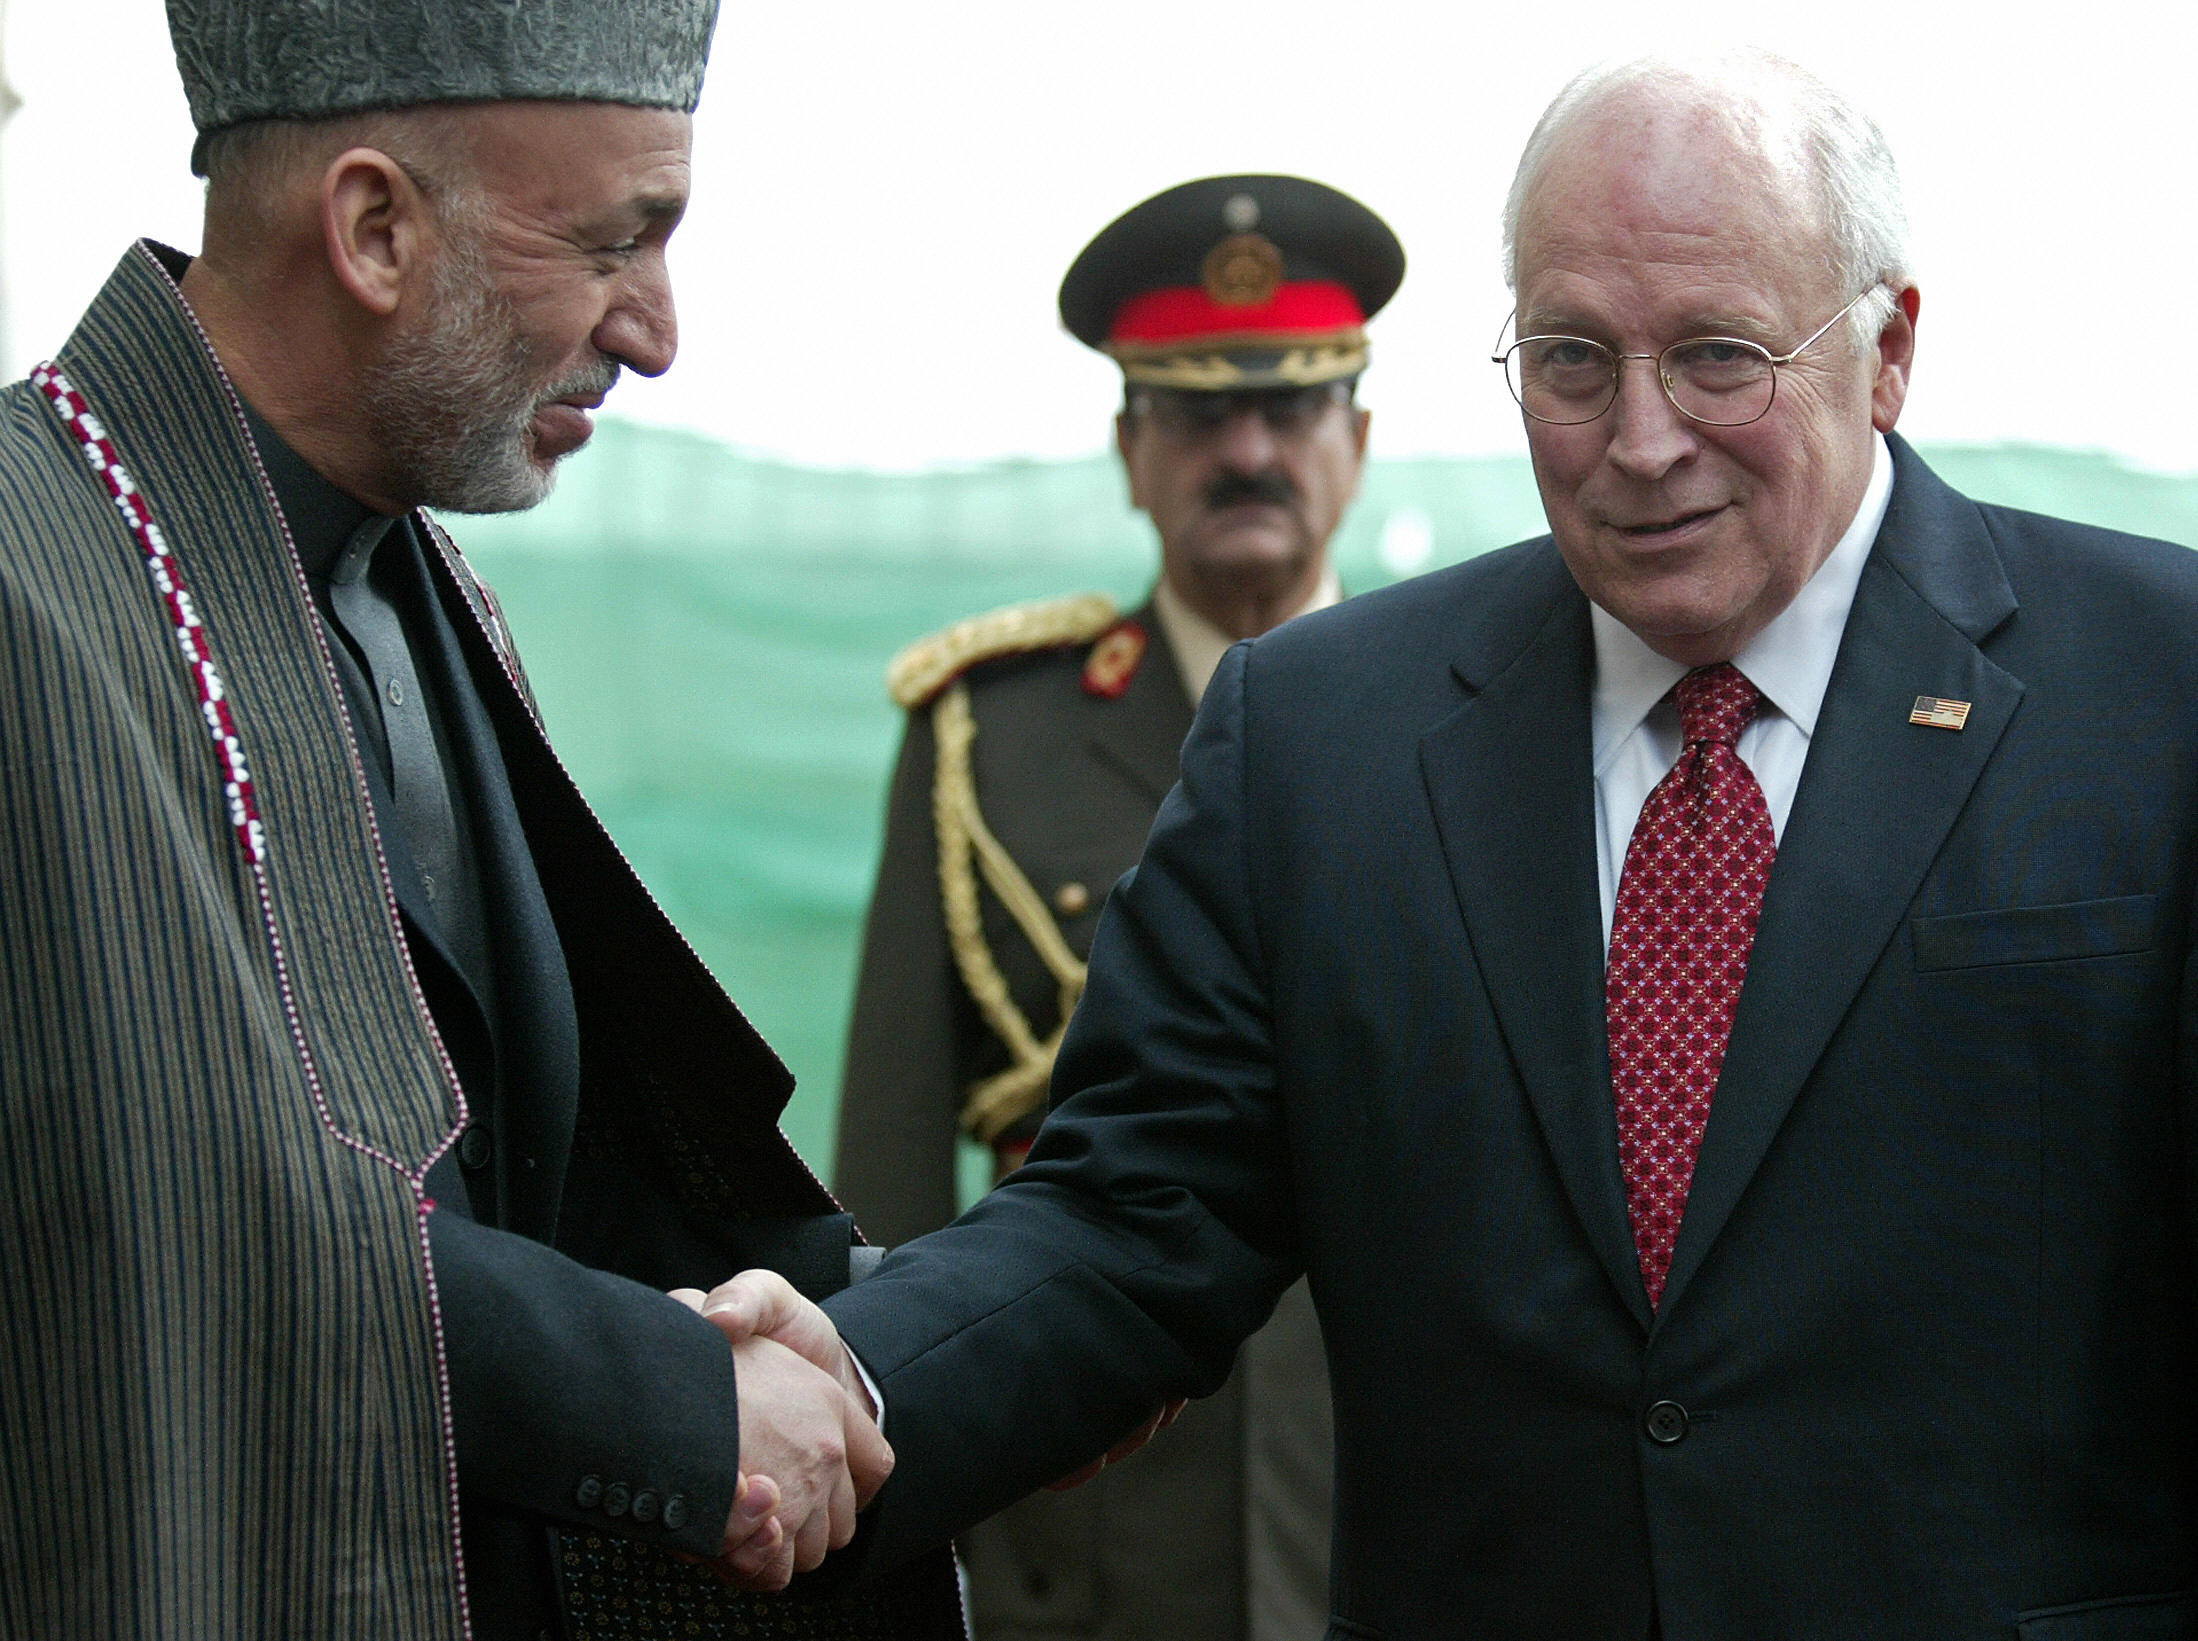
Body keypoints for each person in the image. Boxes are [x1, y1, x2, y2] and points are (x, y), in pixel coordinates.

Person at [705, 47, 2198, 1639]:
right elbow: (1135, 1218)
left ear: (1885, 350)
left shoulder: (2156, 688)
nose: (1640, 439)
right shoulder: (1317, 734)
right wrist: (846, 1372)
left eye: (1717, 357)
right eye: (1570, 360)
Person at [0, 2, 961, 1636]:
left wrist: (926, 1340)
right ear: (374, 229)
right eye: (611, 242)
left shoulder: (426, 589)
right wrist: (665, 1397)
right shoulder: (30, 574)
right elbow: (149, 1207)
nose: (655, 331)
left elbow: (550, 1183)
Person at [834, 173, 1400, 1641]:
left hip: (1404, 1507)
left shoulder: (1471, 721)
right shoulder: (988, 733)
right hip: (1085, 1536)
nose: (1247, 452)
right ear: (1128, 451)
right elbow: (893, 1160)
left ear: (1357, 438)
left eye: (1290, 408)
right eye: (1196, 416)